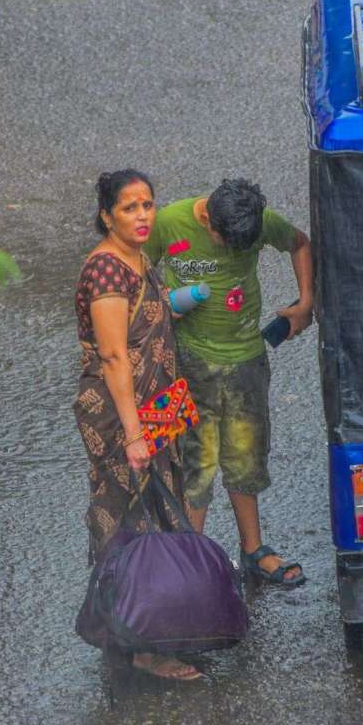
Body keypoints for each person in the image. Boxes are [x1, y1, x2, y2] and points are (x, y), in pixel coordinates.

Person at [145, 178, 313, 587]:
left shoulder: (259, 221)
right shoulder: (169, 224)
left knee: (245, 456)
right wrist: (163, 301)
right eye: (226, 242)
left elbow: (300, 244)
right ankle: (191, 558)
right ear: (208, 219)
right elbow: (136, 274)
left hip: (247, 361)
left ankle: (253, 551)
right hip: (190, 362)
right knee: (196, 459)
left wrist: (306, 302)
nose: (233, 251)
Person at [73, 169, 201, 681]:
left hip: (155, 410)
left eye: (148, 204)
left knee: (151, 518)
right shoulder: (106, 271)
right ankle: (144, 648)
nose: (143, 215)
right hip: (122, 416)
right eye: (130, 207)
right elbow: (113, 356)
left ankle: (126, 634)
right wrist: (133, 434)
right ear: (106, 215)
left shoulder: (137, 258)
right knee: (133, 523)